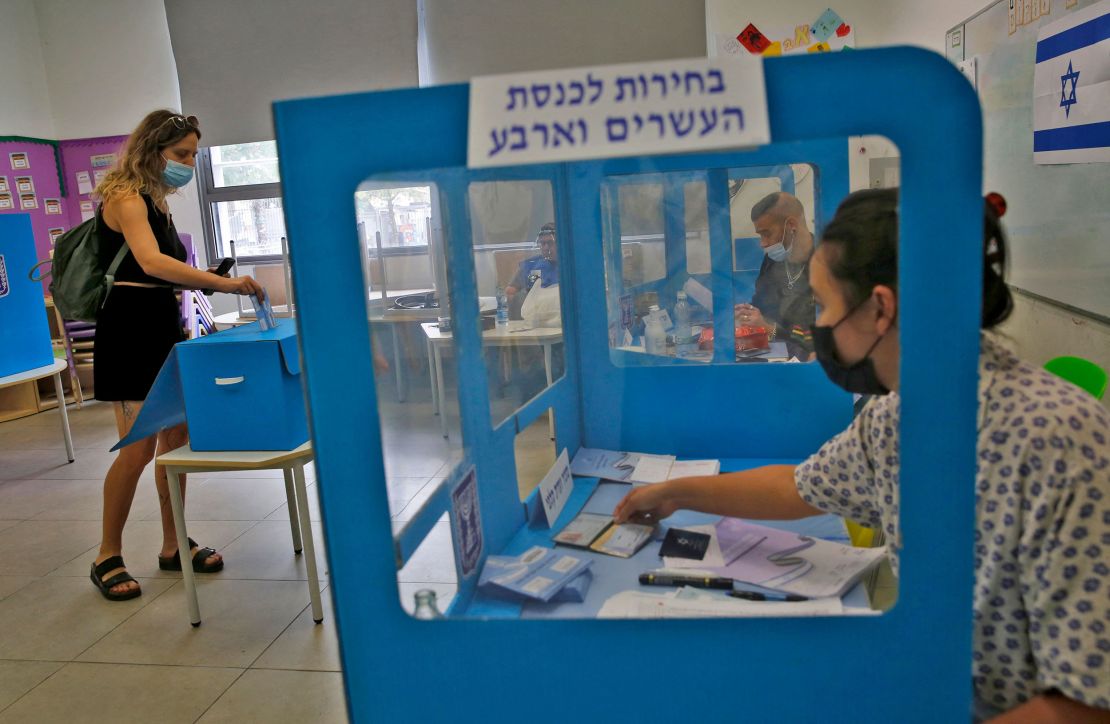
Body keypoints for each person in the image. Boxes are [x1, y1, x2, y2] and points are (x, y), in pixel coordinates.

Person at [615, 189, 1109, 722]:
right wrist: (675, 493)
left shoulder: (1061, 440)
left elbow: (1085, 704)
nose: (819, 327)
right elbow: (800, 487)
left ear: (880, 307)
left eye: (825, 307)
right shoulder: (896, 417)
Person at [90, 110, 265, 601]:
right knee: (137, 448)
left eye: (193, 154)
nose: (188, 163)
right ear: (153, 148)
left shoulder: (157, 201)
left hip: (162, 325)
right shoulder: (125, 195)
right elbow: (149, 262)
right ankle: (107, 554)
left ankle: (173, 545)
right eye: (182, 154)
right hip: (127, 331)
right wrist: (223, 281)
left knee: (176, 436)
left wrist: (203, 274)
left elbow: (161, 270)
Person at [734, 192, 816, 360]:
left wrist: (770, 329)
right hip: (775, 355)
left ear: (791, 225)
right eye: (760, 235)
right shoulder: (772, 261)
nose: (762, 243)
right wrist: (748, 314)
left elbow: (820, 338)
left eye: (767, 233)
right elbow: (761, 306)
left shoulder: (825, 265)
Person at [505, 222, 559, 326]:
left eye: (550, 243)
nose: (546, 247)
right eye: (543, 243)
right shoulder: (534, 267)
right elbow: (510, 292)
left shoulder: (570, 267)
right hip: (534, 323)